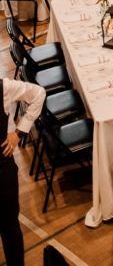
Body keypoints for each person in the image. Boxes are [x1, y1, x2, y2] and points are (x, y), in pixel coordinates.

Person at [1, 73, 45, 266]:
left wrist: (19, 131)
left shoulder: (4, 87)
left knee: (10, 227)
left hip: (2, 174)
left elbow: (39, 93)